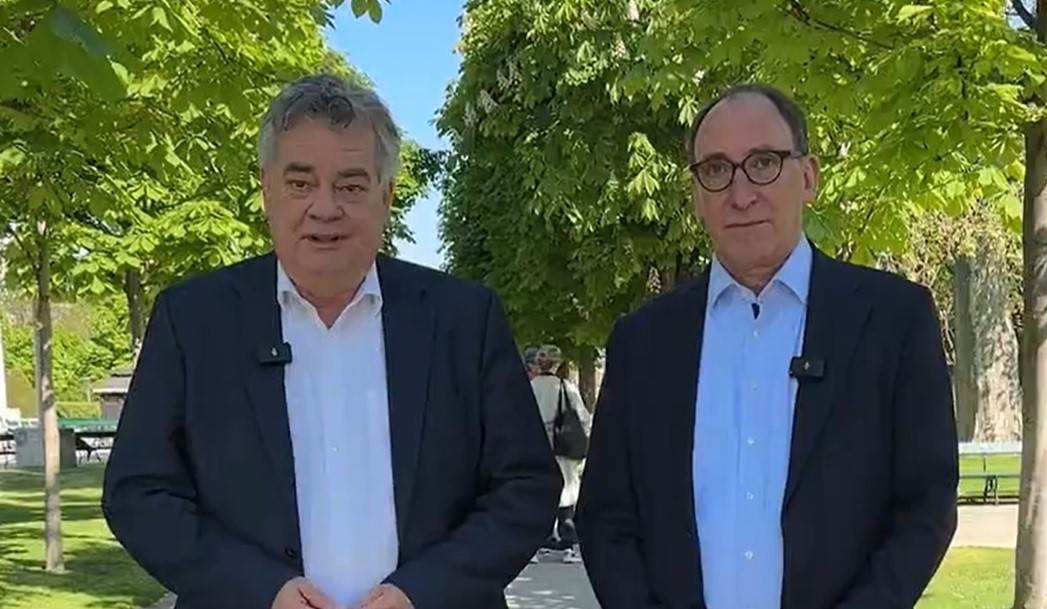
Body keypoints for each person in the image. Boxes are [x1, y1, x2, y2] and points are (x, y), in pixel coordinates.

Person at [101, 74, 562, 609]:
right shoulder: (193, 321)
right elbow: (139, 492)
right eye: (301, 183)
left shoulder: (465, 319)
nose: (325, 207)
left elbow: (525, 487)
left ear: (386, 196)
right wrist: (260, 589)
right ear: (267, 189)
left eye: (351, 185)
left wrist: (422, 592)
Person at [575, 83, 959, 609]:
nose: (741, 194)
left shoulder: (893, 321)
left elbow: (925, 505)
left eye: (763, 163)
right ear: (696, 196)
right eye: (716, 169)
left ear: (809, 176)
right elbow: (606, 519)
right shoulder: (642, 343)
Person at [529, 345, 591, 562]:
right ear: (557, 364)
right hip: (563, 447)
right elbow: (582, 416)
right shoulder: (565, 387)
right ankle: (568, 544)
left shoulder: (529, 388)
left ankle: (539, 544)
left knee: (539, 494)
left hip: (537, 448)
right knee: (566, 494)